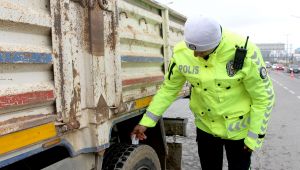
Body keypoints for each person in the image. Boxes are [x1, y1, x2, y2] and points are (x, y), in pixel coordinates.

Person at [131, 15, 275, 170]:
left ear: (216, 45)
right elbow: (168, 89)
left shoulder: (245, 52)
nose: (194, 55)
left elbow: (264, 98)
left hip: (238, 131)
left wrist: (254, 138)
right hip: (206, 128)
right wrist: (146, 122)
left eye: (201, 51)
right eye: (191, 49)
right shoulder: (181, 53)